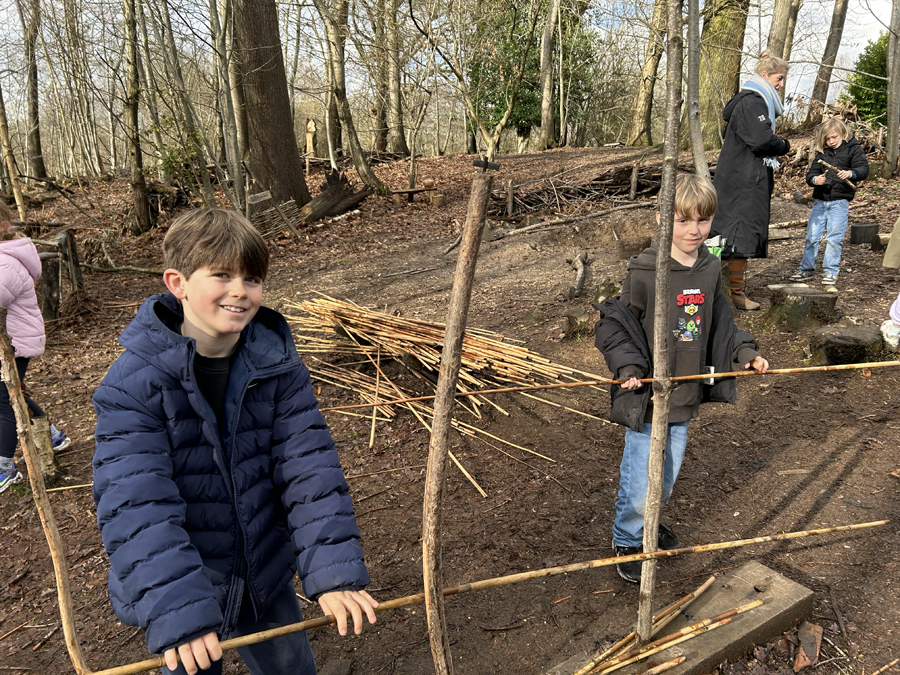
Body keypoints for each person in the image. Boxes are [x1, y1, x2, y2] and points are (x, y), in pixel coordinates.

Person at [92, 208, 377, 675]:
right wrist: (177, 610)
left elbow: (309, 468)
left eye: (252, 278)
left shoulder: (278, 366)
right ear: (178, 283)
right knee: (192, 666)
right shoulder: (133, 385)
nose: (240, 290)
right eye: (222, 275)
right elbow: (137, 506)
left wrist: (334, 572)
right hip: (184, 577)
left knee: (291, 668)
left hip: (262, 567)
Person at [593, 174, 769, 584]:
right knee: (642, 479)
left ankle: (649, 523)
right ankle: (628, 539)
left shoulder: (709, 268)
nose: (694, 230)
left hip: (685, 393)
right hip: (649, 396)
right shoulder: (645, 270)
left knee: (666, 477)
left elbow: (720, 322)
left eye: (703, 220)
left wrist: (745, 352)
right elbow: (617, 326)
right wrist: (630, 369)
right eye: (683, 220)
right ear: (661, 218)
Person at [711, 50, 792, 310]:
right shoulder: (753, 103)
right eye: (779, 79)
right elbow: (762, 140)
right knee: (736, 235)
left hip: (741, 178)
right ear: (764, 75)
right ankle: (730, 293)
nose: (781, 85)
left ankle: (724, 291)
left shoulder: (753, 101)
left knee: (729, 235)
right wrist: (784, 145)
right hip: (743, 182)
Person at [0, 201, 71, 493]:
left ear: (4, 226)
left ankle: (4, 467)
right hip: (11, 340)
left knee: (5, 398)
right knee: (12, 392)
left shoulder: (6, 262)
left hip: (15, 343)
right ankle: (51, 435)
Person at [789, 118, 868, 285]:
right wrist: (815, 180)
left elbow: (863, 169)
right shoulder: (822, 153)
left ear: (843, 134)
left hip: (840, 201)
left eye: (834, 137)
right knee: (812, 236)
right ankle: (806, 269)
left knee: (834, 237)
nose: (831, 141)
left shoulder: (853, 149)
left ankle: (831, 271)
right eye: (827, 139)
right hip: (820, 200)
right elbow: (811, 174)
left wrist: (850, 173)